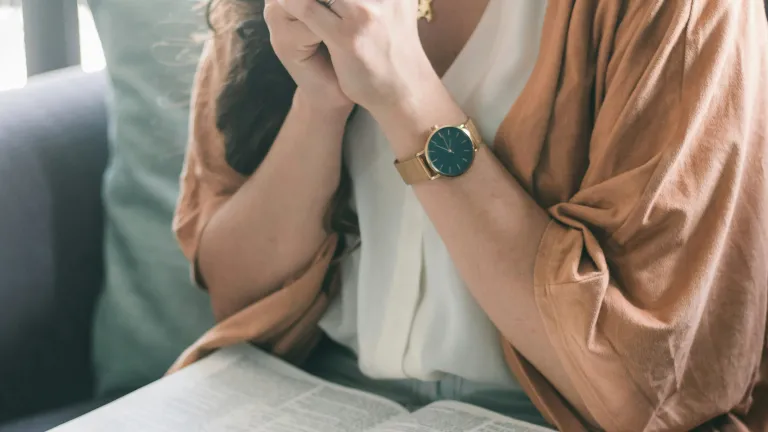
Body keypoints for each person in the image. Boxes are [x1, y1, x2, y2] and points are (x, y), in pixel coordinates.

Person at [172, 0, 768, 430]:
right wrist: (320, 103)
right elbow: (236, 296)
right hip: (310, 392)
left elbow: (656, 390)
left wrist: (405, 96)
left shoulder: (680, 12)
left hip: (546, 416)